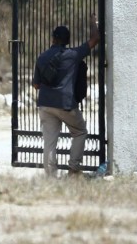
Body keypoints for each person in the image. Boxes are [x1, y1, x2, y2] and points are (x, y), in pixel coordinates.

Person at [32, 14, 100, 178]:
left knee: (49, 142)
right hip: (65, 104)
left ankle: (51, 176)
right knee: (80, 132)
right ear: (68, 40)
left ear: (53, 39)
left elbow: (36, 84)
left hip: (45, 104)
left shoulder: (42, 57)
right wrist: (92, 21)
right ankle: (74, 169)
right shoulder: (73, 54)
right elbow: (96, 39)